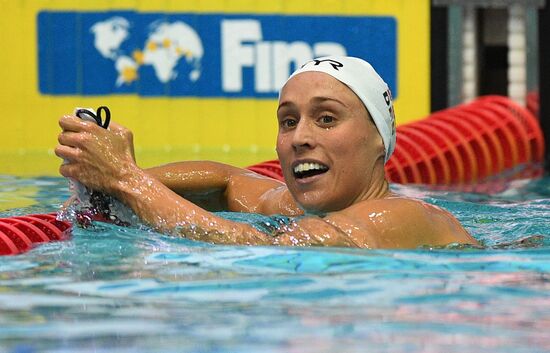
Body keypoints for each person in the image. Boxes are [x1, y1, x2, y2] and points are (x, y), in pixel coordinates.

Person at [55, 56, 478, 248]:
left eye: (327, 119)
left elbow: (263, 251)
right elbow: (228, 179)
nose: (299, 138)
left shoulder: (403, 216)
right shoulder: (296, 209)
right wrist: (111, 175)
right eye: (289, 121)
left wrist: (125, 181)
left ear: (379, 142)